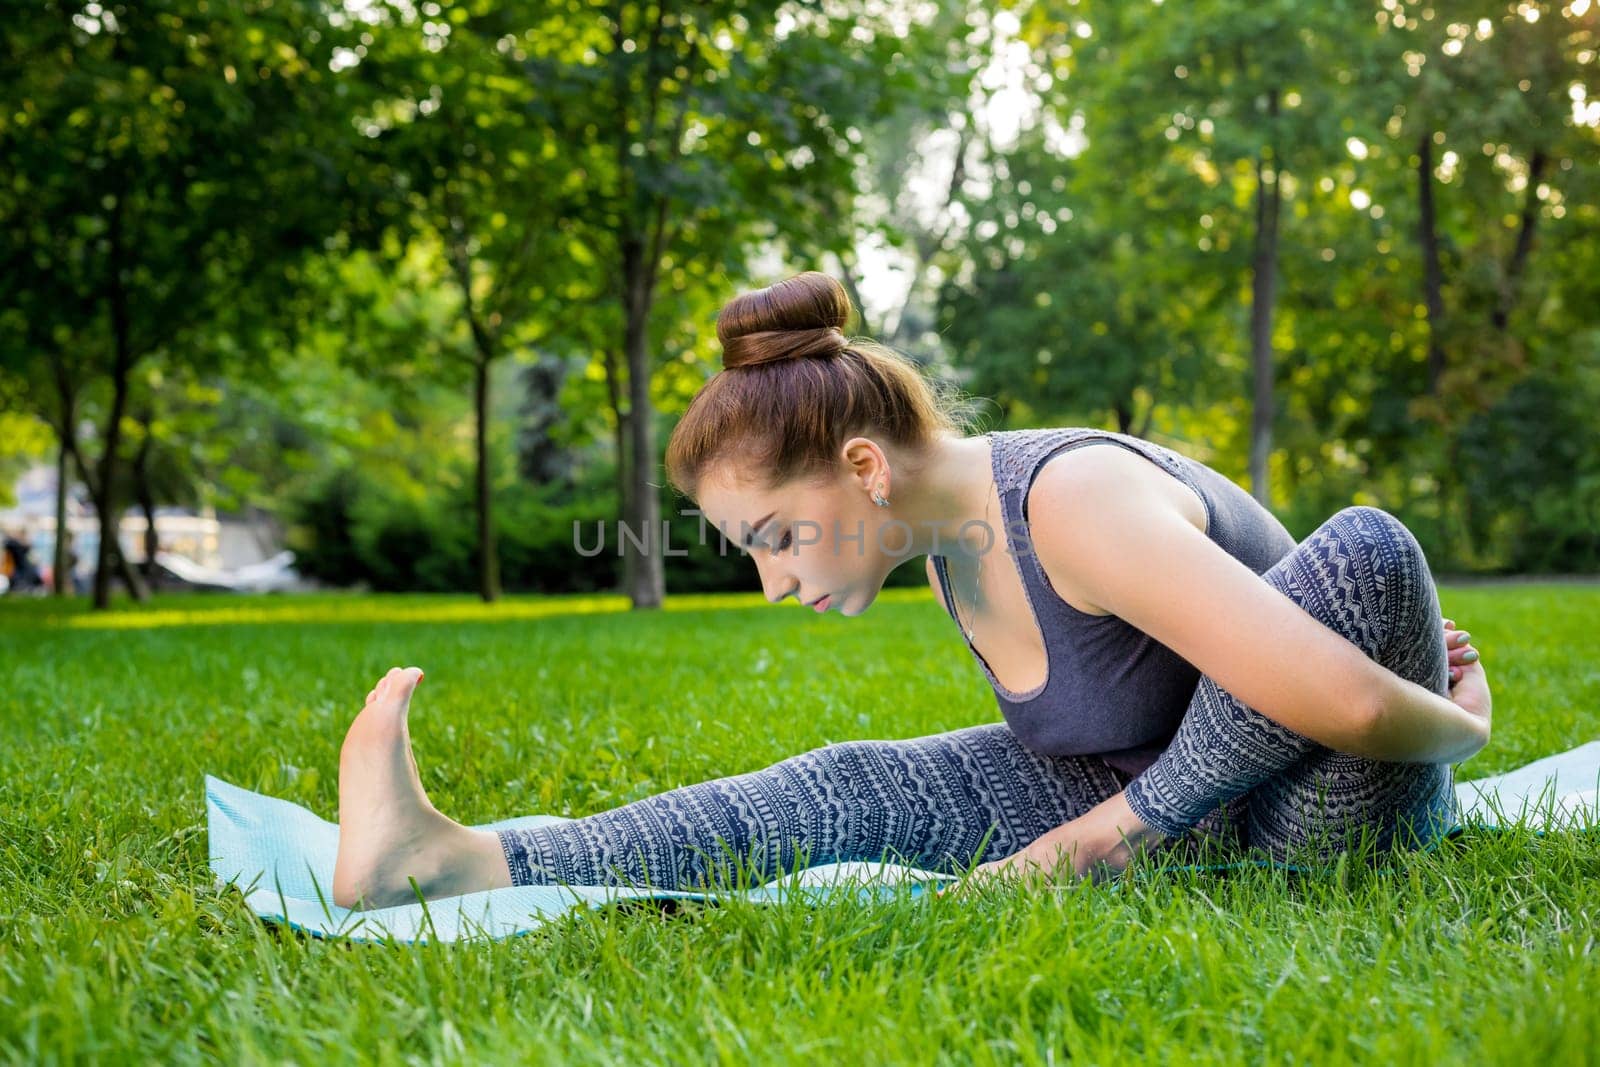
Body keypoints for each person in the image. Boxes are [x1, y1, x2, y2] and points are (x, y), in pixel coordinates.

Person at [331, 271, 1492, 910]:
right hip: (1170, 814)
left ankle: (1117, 841)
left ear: (864, 468)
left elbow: (1337, 708)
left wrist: (1459, 731)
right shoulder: (943, 538)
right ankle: (459, 859)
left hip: (1314, 824)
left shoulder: (1072, 502)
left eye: (776, 536)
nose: (773, 580)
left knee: (1367, 545)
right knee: (850, 781)